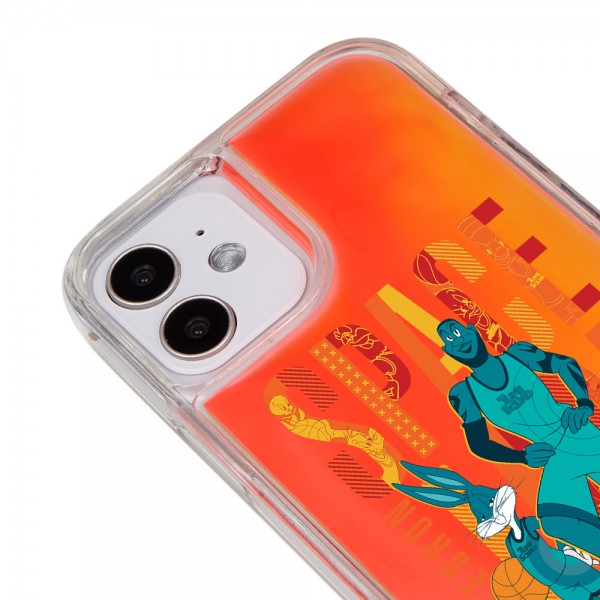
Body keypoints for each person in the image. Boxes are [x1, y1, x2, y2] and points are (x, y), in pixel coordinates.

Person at [437, 319, 600, 558]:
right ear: (448, 351)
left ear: (473, 330)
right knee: (556, 521)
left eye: (458, 331)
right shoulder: (463, 393)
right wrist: (521, 456)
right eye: (449, 339)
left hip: (578, 433)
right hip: (552, 456)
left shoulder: (518, 354)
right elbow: (479, 443)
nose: (458, 341)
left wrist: (583, 403)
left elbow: (564, 364)